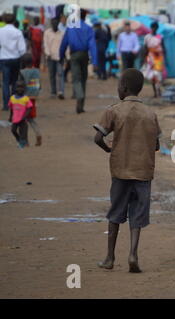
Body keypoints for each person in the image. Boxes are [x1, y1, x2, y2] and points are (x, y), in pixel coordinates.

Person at [94, 68, 161, 273]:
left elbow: (98, 138)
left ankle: (110, 257)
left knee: (116, 213)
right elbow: (156, 145)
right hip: (142, 172)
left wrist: (109, 148)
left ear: (123, 87)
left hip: (120, 170)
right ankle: (133, 254)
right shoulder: (150, 114)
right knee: (137, 215)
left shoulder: (114, 110)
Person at [59, 9, 97, 114]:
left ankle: (79, 96)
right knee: (83, 79)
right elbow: (92, 45)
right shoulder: (89, 28)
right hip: (85, 55)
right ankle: (80, 106)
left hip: (74, 55)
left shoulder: (70, 28)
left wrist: (61, 56)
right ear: (85, 17)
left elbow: (64, 43)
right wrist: (95, 62)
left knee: (76, 78)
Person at [0, 13, 26, 111]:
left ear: (4, 20)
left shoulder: (1, 31)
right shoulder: (18, 32)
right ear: (14, 21)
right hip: (15, 59)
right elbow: (22, 49)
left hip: (4, 59)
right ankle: (14, 102)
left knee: (5, 82)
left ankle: (6, 105)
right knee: (15, 81)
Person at [19, 53, 42, 146]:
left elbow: (20, 85)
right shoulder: (37, 71)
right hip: (34, 98)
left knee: (23, 120)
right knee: (31, 118)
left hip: (25, 98)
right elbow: (39, 85)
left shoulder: (22, 72)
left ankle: (25, 141)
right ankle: (38, 133)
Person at [44, 18, 66, 99]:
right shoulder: (47, 33)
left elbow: (64, 46)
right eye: (53, 23)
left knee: (60, 74)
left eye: (56, 23)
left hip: (59, 57)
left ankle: (61, 92)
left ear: (58, 24)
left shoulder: (62, 33)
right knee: (52, 75)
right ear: (51, 24)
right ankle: (53, 92)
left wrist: (65, 55)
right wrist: (48, 53)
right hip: (50, 57)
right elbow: (45, 44)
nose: (54, 25)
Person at [142, 22, 165, 98]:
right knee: (152, 76)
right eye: (152, 27)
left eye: (155, 27)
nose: (153, 29)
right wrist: (144, 59)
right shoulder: (147, 37)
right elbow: (145, 49)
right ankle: (155, 92)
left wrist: (164, 57)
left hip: (159, 58)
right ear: (150, 28)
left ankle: (159, 91)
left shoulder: (160, 37)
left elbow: (164, 48)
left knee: (158, 75)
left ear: (157, 28)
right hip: (151, 58)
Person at [8, 80, 33, 148]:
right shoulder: (12, 98)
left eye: (22, 87)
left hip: (23, 119)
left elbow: (30, 108)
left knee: (23, 133)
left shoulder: (26, 98)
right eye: (18, 87)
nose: (20, 89)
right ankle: (19, 140)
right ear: (15, 88)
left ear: (24, 89)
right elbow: (11, 108)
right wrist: (10, 117)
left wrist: (24, 116)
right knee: (13, 130)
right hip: (15, 119)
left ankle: (23, 143)